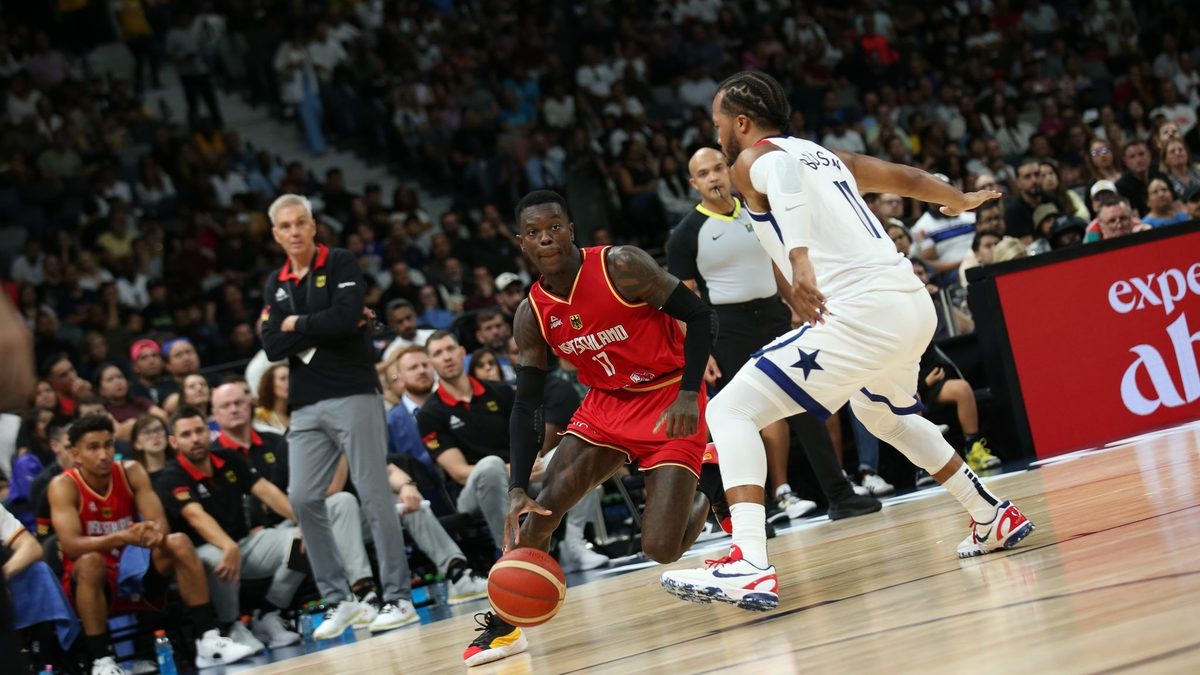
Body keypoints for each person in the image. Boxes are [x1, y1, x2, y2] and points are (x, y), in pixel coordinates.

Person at [661, 72, 1034, 610]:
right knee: (885, 416)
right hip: (909, 302)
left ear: (741, 123)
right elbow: (903, 176)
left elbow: (781, 173)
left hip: (862, 312)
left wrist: (800, 258)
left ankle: (747, 561)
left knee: (730, 412)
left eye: (718, 123)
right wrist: (955, 197)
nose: (717, 134)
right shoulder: (824, 154)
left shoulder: (755, 159)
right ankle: (990, 515)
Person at [460, 190, 728, 667]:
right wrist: (519, 486)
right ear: (521, 242)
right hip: (607, 406)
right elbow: (526, 402)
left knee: (662, 549)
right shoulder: (532, 313)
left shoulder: (622, 265)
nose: (547, 238)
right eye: (535, 232)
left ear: (570, 229)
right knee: (536, 514)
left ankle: (711, 485)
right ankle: (506, 626)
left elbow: (701, 316)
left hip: (670, 396)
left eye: (555, 226)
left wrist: (691, 391)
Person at [668, 146, 879, 520]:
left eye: (719, 168)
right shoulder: (686, 234)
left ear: (729, 170)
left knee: (807, 404)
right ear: (694, 183)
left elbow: (778, 268)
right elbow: (687, 301)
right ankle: (754, 514)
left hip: (773, 317)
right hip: (727, 328)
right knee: (744, 419)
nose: (714, 177)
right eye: (704, 173)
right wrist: (699, 354)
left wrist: (800, 307)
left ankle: (839, 494)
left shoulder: (755, 211)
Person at [261, 194, 418, 638]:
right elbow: (271, 344)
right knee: (304, 497)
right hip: (305, 402)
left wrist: (295, 323)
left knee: (372, 493)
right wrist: (320, 322)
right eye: (285, 226)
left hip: (353, 390)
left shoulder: (342, 261)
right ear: (276, 234)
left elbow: (348, 315)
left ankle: (399, 598)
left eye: (300, 223)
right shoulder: (275, 280)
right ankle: (340, 600)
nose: (294, 231)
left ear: (313, 226)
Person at [48, 414, 255, 675]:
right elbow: (71, 545)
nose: (103, 454)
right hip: (95, 581)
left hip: (134, 566)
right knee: (90, 560)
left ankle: (207, 639)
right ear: (77, 454)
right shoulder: (63, 485)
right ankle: (102, 661)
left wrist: (152, 533)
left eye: (108, 445)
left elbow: (160, 526)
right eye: (93, 447)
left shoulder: (131, 471)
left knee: (178, 541)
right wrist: (122, 537)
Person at [209, 383, 387, 640]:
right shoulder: (214, 456)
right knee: (302, 539)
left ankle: (363, 593)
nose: (234, 409)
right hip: (250, 536)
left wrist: (305, 520)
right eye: (226, 406)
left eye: (238, 402)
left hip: (292, 519)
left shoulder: (275, 440)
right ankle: (270, 611)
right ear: (214, 414)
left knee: (341, 503)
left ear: (250, 405)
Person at [157, 406, 303, 651]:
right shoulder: (172, 476)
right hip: (200, 555)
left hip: (243, 544)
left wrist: (302, 522)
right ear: (173, 442)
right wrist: (227, 545)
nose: (195, 439)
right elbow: (195, 516)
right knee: (217, 556)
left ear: (209, 432)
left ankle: (269, 613)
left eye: (199, 431)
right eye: (186, 434)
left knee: (304, 541)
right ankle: (232, 626)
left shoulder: (229, 458)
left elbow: (266, 491)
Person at [253, 364, 290, 434]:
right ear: (270, 385)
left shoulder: (299, 412)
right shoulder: (259, 415)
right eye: (283, 379)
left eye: (291, 377)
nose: (289, 382)